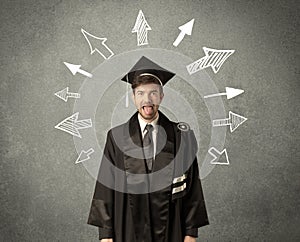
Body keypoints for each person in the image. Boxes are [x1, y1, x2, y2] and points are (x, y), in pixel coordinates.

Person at [88, 56, 209, 242]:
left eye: (153, 93)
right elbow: (106, 186)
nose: (147, 100)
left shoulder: (182, 136)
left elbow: (192, 187)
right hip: (127, 227)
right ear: (133, 97)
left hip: (170, 228)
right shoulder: (117, 137)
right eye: (141, 93)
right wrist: (106, 236)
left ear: (161, 96)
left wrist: (191, 234)